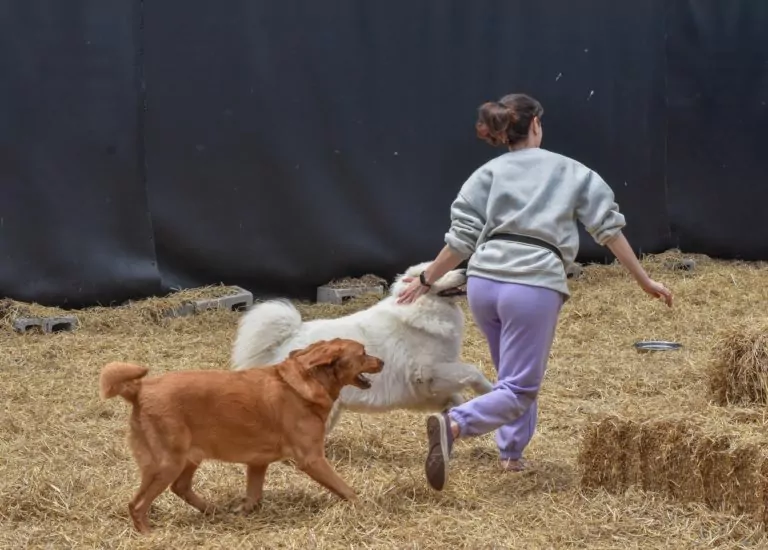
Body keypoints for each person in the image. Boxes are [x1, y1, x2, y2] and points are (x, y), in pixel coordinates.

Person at [396, 93, 673, 492]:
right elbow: (609, 231)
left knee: (509, 378)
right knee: (521, 386)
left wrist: (425, 280)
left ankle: (511, 455)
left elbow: (460, 241)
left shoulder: (485, 174)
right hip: (532, 283)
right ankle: (455, 424)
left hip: (484, 284)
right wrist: (645, 280)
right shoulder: (572, 172)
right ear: (537, 125)